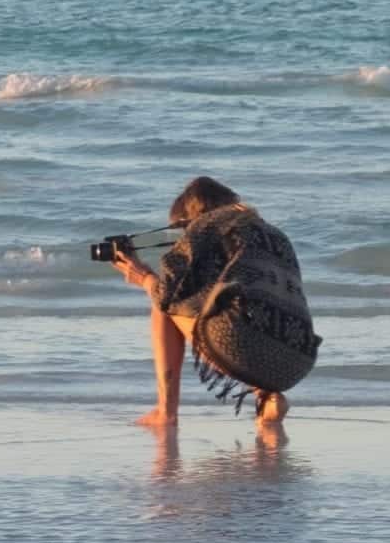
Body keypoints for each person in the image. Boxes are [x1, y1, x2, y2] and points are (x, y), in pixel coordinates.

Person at [109, 176, 318, 426]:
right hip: (297, 361)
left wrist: (143, 277)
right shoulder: (274, 235)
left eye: (182, 228)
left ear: (193, 216)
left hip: (246, 350)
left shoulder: (208, 226)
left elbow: (168, 294)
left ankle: (166, 412)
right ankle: (269, 399)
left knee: (162, 303)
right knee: (253, 315)